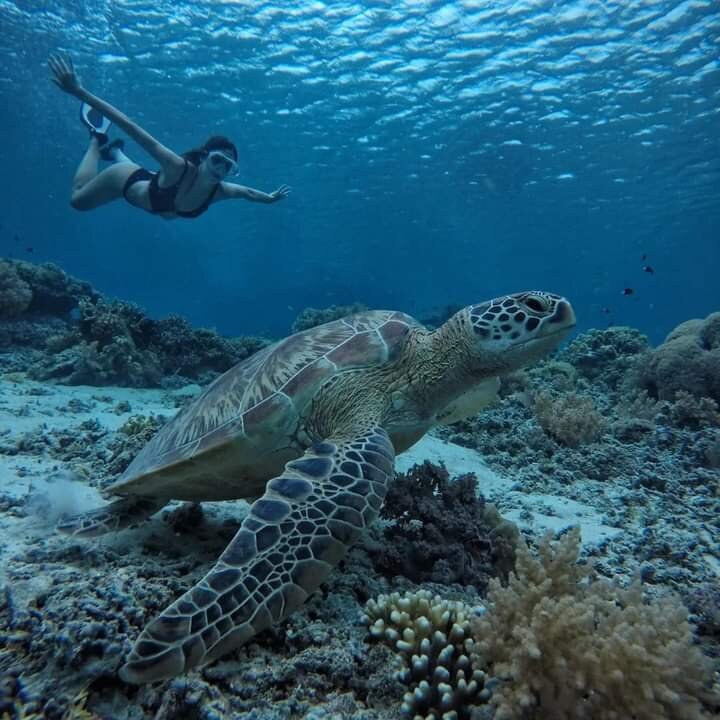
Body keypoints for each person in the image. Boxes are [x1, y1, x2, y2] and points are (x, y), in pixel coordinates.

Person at [48, 53, 290, 219]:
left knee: (150, 180)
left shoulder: (221, 191)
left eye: (228, 166)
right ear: (204, 157)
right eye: (218, 159)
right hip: (123, 180)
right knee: (78, 201)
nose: (221, 168)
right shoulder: (177, 166)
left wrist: (269, 198)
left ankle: (115, 152)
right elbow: (129, 126)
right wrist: (79, 92)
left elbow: (248, 193)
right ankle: (96, 139)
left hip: (151, 183)